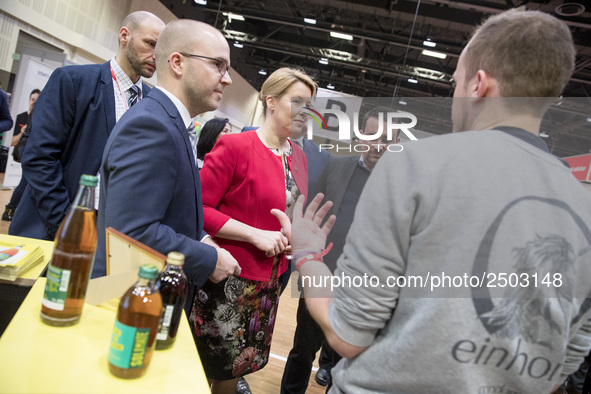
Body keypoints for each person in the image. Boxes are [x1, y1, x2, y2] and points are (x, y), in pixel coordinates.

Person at [284, 9, 591, 393]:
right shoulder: (582, 208)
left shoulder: (415, 166)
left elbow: (348, 333)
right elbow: (569, 353)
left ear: (478, 85)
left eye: (456, 81)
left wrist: (309, 256)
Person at [191, 67, 314, 394]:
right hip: (228, 278)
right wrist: (253, 234)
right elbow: (198, 209)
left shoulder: (298, 157)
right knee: (205, 367)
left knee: (234, 370)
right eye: (297, 102)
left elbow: (291, 211)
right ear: (270, 101)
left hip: (271, 282)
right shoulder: (236, 147)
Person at [94, 19, 240, 293]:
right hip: (130, 299)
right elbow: (132, 233)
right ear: (177, 63)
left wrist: (202, 238)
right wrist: (209, 258)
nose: (228, 78)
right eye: (218, 65)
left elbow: (169, 212)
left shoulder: (169, 122)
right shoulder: (152, 126)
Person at [9, 11, 165, 240]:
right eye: (150, 44)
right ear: (124, 36)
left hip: (116, 235)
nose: (155, 56)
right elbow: (39, 157)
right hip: (56, 227)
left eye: (160, 50)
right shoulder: (73, 81)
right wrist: (67, 222)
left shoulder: (153, 102)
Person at [281, 106, 400, 393]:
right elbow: (312, 212)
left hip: (364, 288)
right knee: (302, 350)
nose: (379, 145)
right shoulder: (336, 165)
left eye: (387, 138)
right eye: (372, 136)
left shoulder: (404, 183)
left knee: (344, 364)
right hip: (321, 275)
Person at [2, 89, 40, 222]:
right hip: (28, 149)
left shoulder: (36, 111)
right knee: (25, 182)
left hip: (28, 149)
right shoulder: (32, 113)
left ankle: (12, 210)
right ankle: (10, 210)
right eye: (32, 99)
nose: (33, 102)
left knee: (26, 182)